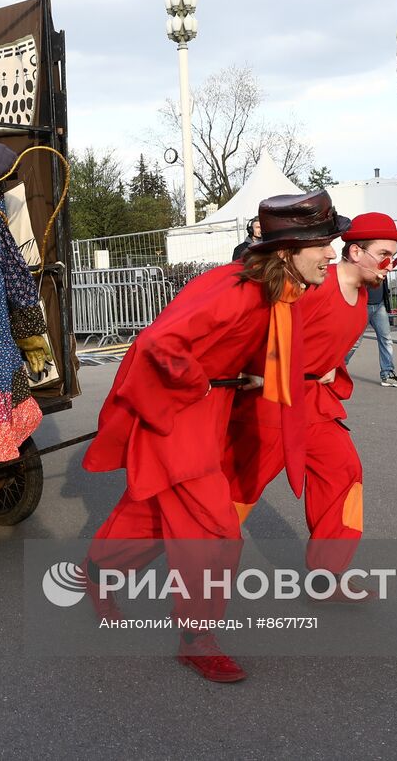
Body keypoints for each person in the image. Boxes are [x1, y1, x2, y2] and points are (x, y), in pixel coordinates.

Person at [83, 189, 347, 683]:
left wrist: (245, 377)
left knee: (159, 513)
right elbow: (159, 341)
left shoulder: (275, 290)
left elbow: (241, 346)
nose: (331, 253)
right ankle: (195, 638)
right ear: (287, 252)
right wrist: (201, 380)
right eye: (323, 244)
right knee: (215, 529)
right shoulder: (235, 291)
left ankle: (98, 570)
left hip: (206, 413)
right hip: (177, 418)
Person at [247, 212, 397, 593]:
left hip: (314, 404)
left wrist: (330, 367)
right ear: (355, 252)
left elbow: (323, 344)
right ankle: (117, 563)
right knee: (232, 491)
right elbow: (262, 331)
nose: (391, 265)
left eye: (395, 257)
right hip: (269, 403)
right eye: (385, 254)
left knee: (343, 472)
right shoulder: (315, 286)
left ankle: (327, 575)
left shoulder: (364, 297)